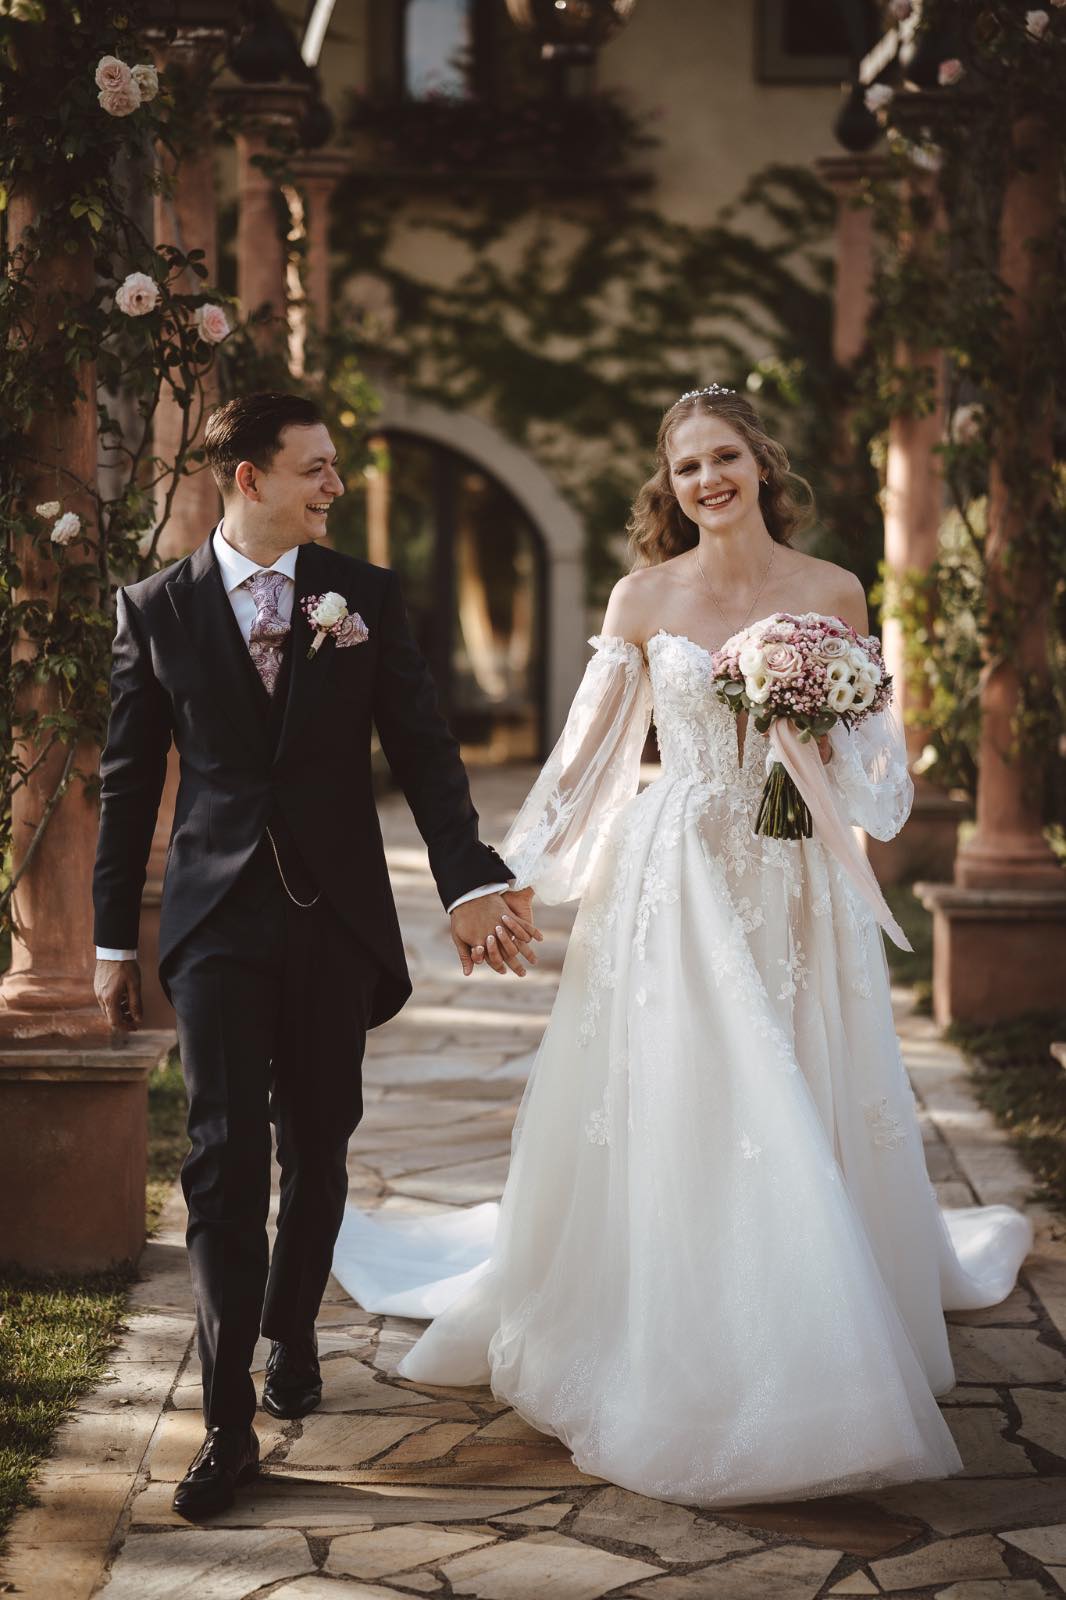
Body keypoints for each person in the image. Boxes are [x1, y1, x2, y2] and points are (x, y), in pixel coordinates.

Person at [332, 385, 1033, 1507]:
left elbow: (879, 780)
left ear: (761, 463)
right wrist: (511, 875)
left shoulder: (832, 590)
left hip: (792, 872)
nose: (706, 480)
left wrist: (820, 724)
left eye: (724, 458)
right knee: (700, 1084)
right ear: (671, 486)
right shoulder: (641, 595)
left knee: (796, 1075)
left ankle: (815, 1315)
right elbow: (586, 754)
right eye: (686, 466)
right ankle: (691, 1324)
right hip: (679, 873)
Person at [90, 391, 542, 1520]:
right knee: (223, 1159)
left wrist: (470, 878)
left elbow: (428, 752)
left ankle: (294, 1329)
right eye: (315, 468)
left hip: (335, 916)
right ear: (248, 478)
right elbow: (128, 781)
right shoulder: (154, 609)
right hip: (217, 925)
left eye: (334, 467)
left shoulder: (365, 597)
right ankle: (227, 1421)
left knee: (320, 1143)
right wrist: (110, 939)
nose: (334, 485)